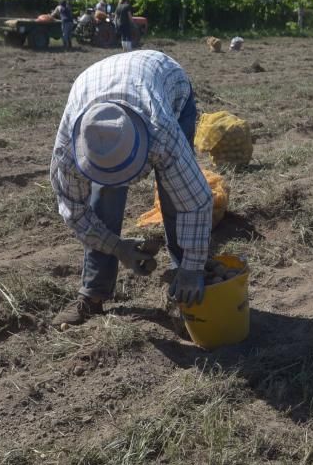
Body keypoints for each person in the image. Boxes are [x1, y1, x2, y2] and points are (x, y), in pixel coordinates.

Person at [49, 51, 212, 325]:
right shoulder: (69, 153)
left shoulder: (162, 132)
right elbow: (75, 213)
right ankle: (93, 295)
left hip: (167, 83)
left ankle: (185, 286)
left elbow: (195, 202)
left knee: (174, 196)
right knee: (103, 200)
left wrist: (193, 266)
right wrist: (117, 247)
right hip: (98, 82)